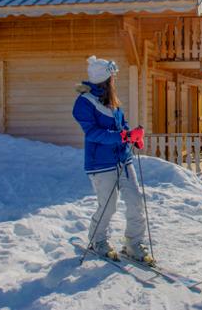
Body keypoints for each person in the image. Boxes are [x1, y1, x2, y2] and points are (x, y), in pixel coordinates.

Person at [72, 55, 153, 264]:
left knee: (135, 199)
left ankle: (133, 243)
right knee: (108, 206)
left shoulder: (113, 102)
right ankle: (98, 240)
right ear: (105, 80)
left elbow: (122, 125)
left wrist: (132, 137)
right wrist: (122, 136)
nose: (114, 80)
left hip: (123, 159)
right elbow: (92, 133)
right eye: (112, 77)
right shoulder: (84, 102)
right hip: (100, 163)